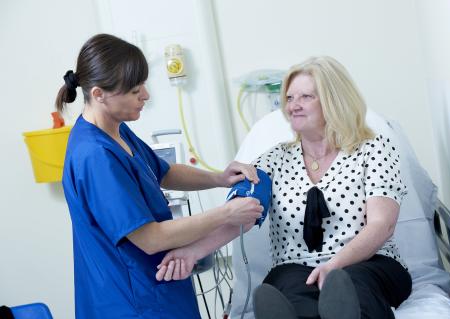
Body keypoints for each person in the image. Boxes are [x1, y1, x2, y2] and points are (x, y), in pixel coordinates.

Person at [156, 56, 412, 319]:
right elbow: (239, 217)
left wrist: (334, 266)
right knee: (292, 295)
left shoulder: (373, 149)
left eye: (306, 97)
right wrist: (191, 252)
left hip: (367, 262)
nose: (293, 106)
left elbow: (382, 225)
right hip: (296, 266)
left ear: (334, 100)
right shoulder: (272, 161)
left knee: (354, 289)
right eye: (289, 98)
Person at [57, 33, 264, 319]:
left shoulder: (115, 130)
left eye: (143, 84)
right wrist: (226, 214)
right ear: (99, 94)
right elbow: (150, 239)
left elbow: (162, 171)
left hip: (159, 287)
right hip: (131, 301)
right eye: (133, 90)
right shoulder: (95, 156)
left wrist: (219, 177)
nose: (146, 95)